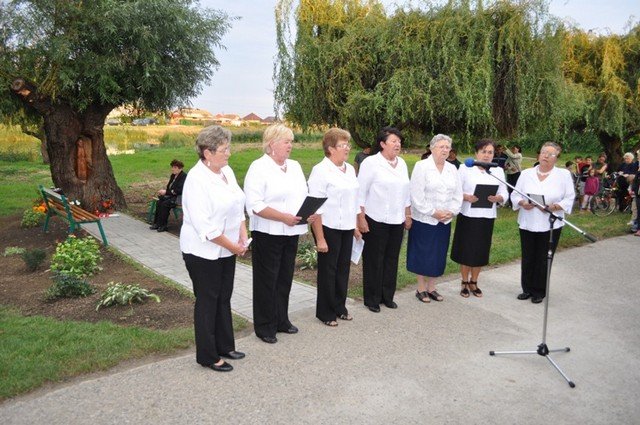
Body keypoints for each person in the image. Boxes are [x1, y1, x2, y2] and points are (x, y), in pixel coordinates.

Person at [180, 126, 248, 373]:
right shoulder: (196, 180)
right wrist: (234, 246)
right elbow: (205, 227)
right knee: (208, 301)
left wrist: (242, 233)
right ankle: (208, 356)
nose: (229, 153)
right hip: (203, 251)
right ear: (207, 153)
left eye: (228, 148)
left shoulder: (226, 171)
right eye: (224, 149)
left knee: (224, 297)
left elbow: (238, 205)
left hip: (227, 247)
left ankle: (225, 345)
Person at [244, 124, 317, 343]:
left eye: (291, 142)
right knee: (267, 280)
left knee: (285, 277)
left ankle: (281, 319)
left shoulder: (294, 166)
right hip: (268, 232)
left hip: (291, 230)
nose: (290, 146)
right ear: (272, 144)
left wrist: (308, 213)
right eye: (286, 142)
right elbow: (255, 204)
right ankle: (265, 326)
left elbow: (303, 194)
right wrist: (282, 217)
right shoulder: (258, 167)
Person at [511, 141, 575, 304]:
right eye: (543, 152)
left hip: (550, 223)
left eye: (550, 154)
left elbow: (569, 198)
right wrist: (522, 203)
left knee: (543, 257)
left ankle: (539, 291)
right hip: (528, 220)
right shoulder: (526, 173)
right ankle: (527, 288)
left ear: (556, 157)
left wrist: (554, 207)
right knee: (528, 256)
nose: (545, 156)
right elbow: (515, 195)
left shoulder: (563, 175)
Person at [308, 128, 360, 327]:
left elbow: (353, 200)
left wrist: (355, 226)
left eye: (348, 144)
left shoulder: (350, 169)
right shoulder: (320, 170)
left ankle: (340, 307)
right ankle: (325, 312)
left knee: (343, 269)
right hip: (328, 226)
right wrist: (320, 238)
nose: (347, 148)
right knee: (328, 271)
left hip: (346, 226)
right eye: (342, 145)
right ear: (330, 149)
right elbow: (316, 207)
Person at [357, 127, 411, 312]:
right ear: (382, 144)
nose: (398, 144)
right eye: (393, 141)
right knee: (374, 260)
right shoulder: (371, 163)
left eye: (399, 141)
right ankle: (372, 299)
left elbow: (406, 192)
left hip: (397, 220)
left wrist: (407, 214)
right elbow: (360, 193)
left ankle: (387, 296)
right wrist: (361, 218)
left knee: (391, 259)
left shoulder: (402, 163)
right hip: (375, 219)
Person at [408, 134, 462, 303]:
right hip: (425, 219)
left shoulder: (452, 169)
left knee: (438, 253)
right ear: (432, 148)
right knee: (423, 253)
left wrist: (451, 211)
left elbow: (458, 195)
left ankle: (432, 287)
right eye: (441, 147)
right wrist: (433, 212)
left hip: (444, 220)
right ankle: (420, 288)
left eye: (447, 147)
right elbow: (416, 196)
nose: (445, 150)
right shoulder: (422, 166)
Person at [450, 139, 507, 298]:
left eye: (490, 152)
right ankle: (464, 281)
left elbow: (504, 192)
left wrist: (499, 198)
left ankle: (474, 281)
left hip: (487, 216)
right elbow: (455, 190)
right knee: (466, 250)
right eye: (483, 151)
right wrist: (466, 196)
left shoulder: (497, 171)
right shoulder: (465, 168)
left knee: (481, 250)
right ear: (476, 153)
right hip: (468, 215)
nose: (487, 155)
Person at [150, 159, 187, 232]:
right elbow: (169, 187)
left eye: (175, 167)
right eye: (172, 167)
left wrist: (166, 192)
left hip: (179, 198)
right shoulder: (173, 176)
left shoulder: (184, 176)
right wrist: (164, 192)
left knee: (165, 204)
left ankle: (163, 225)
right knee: (159, 202)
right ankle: (157, 223)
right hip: (172, 196)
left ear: (180, 168)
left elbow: (179, 190)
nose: (173, 169)